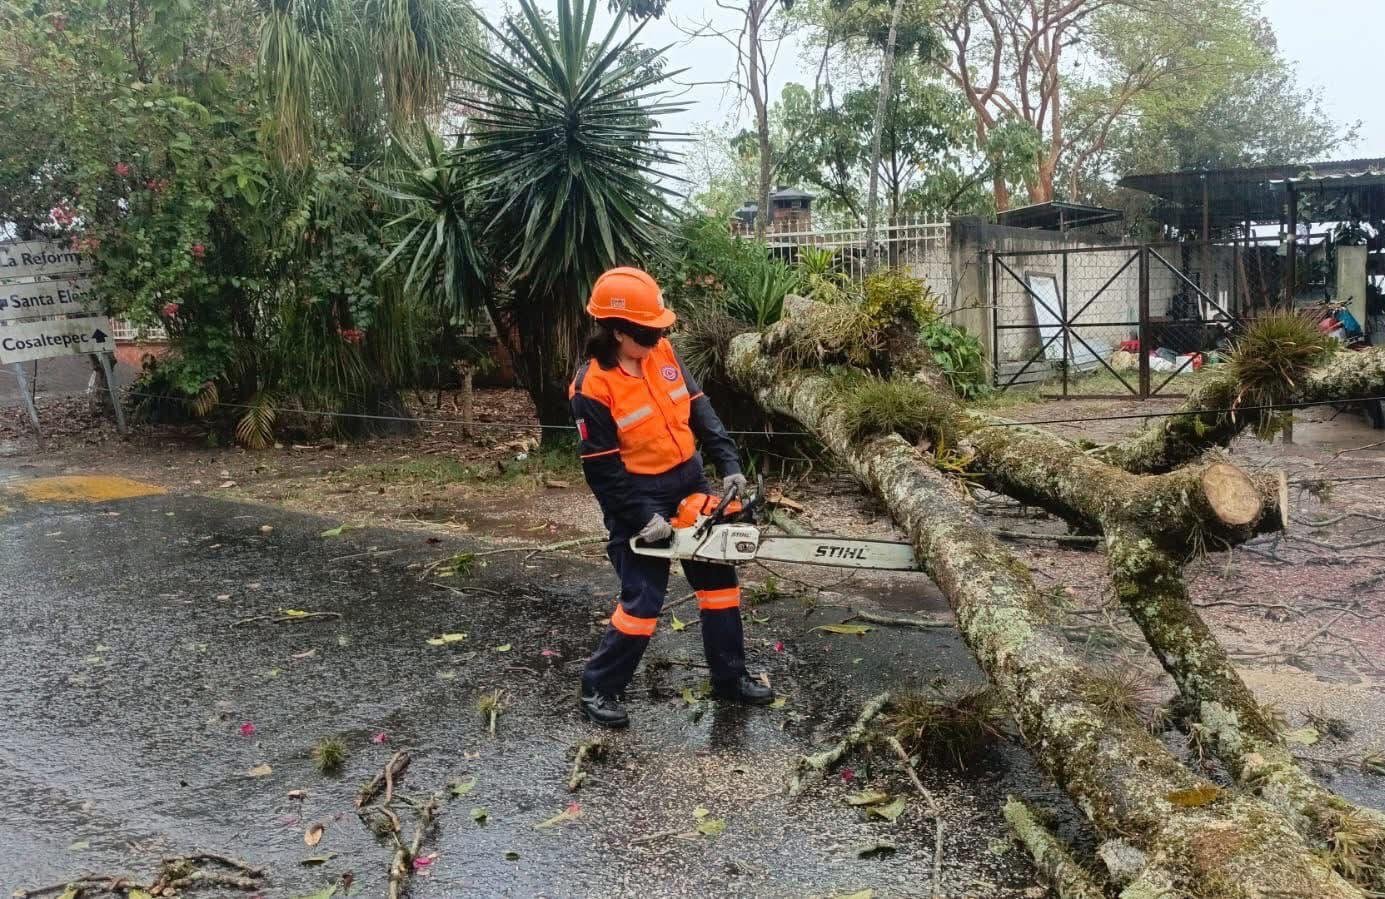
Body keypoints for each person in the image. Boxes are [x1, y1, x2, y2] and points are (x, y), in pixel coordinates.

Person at [569, 266, 774, 728]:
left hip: (687, 482)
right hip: (635, 495)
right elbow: (602, 470)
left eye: (660, 329)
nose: (658, 337)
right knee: (643, 601)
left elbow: (700, 408)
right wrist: (642, 516)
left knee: (719, 585)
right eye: (648, 331)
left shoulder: (662, 352)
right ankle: (599, 687)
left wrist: (729, 463)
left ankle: (730, 678)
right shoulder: (592, 387)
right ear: (618, 331)